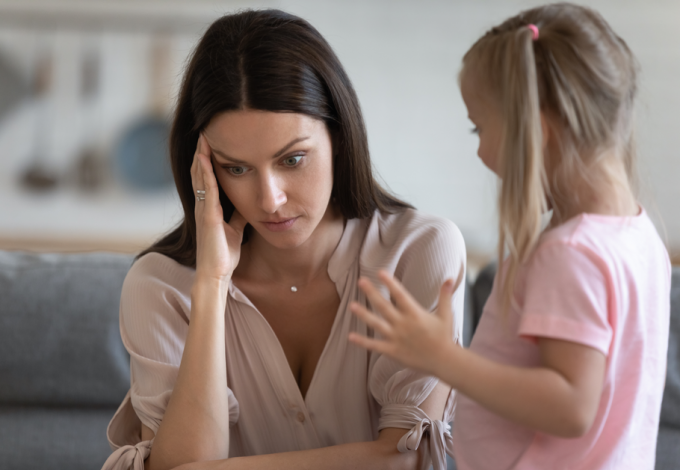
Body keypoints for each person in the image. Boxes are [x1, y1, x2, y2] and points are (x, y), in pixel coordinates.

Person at [102, 9, 467, 470]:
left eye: (292, 159)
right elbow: (184, 459)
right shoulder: (160, 285)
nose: (270, 200)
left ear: (338, 135)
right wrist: (212, 285)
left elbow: (405, 461)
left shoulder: (420, 251)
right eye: (237, 168)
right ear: (205, 168)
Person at [349, 3, 671, 469]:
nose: (479, 151)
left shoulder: (571, 254)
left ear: (536, 133)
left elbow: (570, 406)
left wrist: (444, 359)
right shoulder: (640, 236)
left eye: (480, 127)